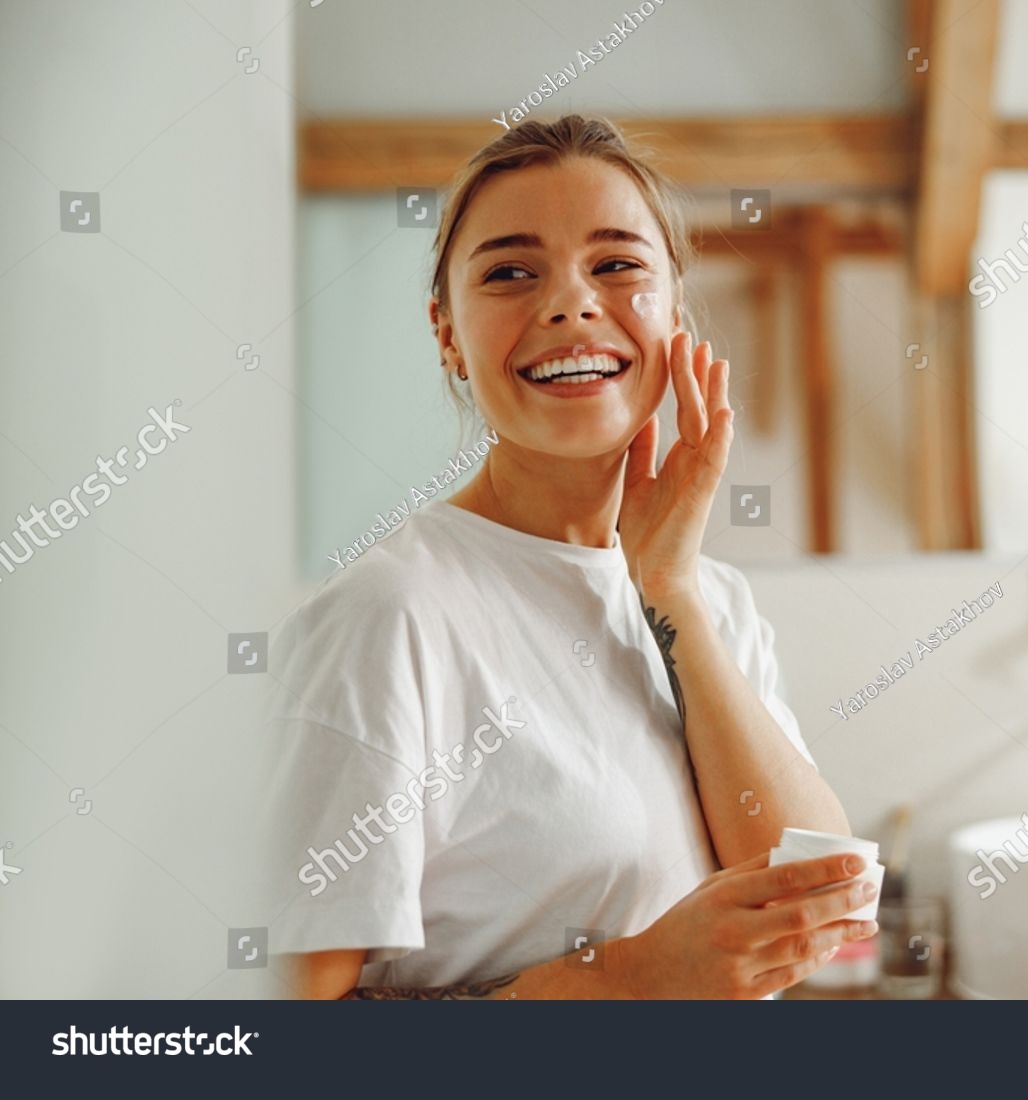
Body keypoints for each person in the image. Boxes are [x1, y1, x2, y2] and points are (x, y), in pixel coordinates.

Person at [265, 115, 878, 999]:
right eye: (511, 272)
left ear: (674, 313)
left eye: (618, 264)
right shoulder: (389, 617)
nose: (569, 303)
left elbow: (823, 902)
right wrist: (621, 983)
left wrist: (670, 592)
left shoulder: (712, 602)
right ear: (447, 334)